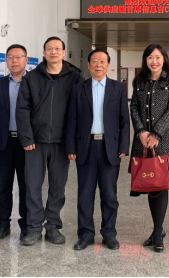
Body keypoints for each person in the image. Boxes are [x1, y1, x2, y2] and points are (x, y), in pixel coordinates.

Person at [16, 37, 84, 246]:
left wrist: (74, 142)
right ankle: (34, 227)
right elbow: (22, 109)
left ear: (63, 52)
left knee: (57, 186)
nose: (53, 52)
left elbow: (80, 111)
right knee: (32, 186)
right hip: (35, 142)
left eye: (57, 48)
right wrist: (27, 137)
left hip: (62, 142)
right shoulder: (31, 77)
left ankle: (53, 225)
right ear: (44, 53)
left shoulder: (75, 77)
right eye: (49, 49)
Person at [66, 49, 130, 251]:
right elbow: (72, 119)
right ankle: (85, 234)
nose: (98, 64)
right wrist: (71, 146)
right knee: (85, 194)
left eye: (102, 61)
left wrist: (123, 145)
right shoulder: (78, 89)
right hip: (85, 146)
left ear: (108, 65)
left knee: (109, 194)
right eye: (94, 61)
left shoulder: (118, 88)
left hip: (109, 148)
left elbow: (124, 120)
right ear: (88, 65)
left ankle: (109, 234)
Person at [129, 44, 169, 253]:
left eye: (158, 57)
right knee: (150, 185)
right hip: (143, 141)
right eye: (150, 57)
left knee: (160, 184)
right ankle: (157, 229)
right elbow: (134, 106)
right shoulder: (139, 81)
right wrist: (141, 131)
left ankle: (158, 232)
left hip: (164, 140)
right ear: (145, 60)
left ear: (164, 59)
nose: (154, 61)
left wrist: (156, 134)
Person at [0, 44, 30, 242]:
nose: (14, 60)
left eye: (18, 57)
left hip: (27, 144)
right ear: (6, 61)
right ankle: (2, 223)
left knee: (26, 186)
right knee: (4, 185)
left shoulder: (34, 82)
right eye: (10, 57)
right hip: (4, 143)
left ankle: (26, 224)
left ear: (26, 60)